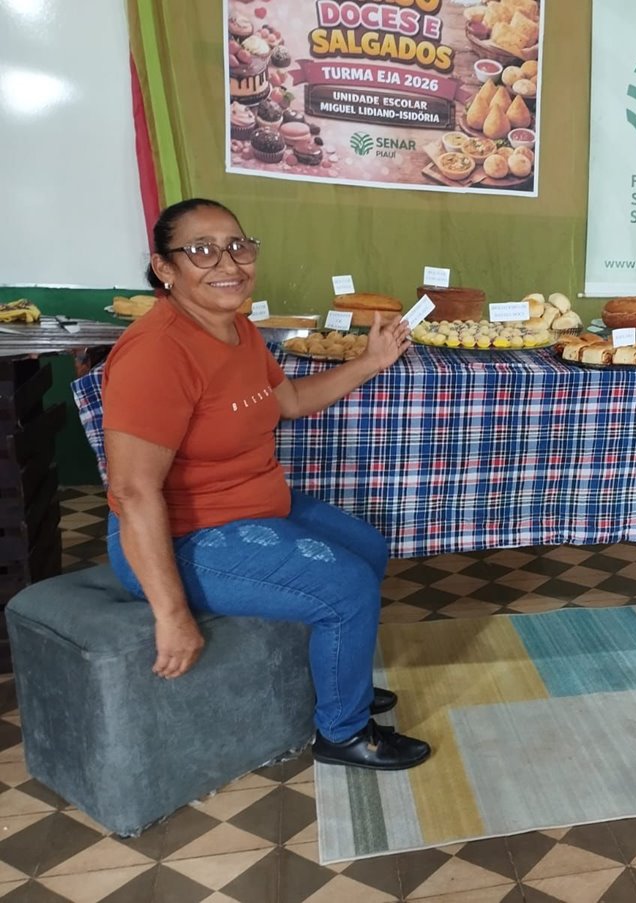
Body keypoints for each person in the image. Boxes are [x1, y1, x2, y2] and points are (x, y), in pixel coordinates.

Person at [102, 197, 430, 771]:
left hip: (252, 507)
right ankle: (343, 733)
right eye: (201, 250)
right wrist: (171, 615)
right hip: (184, 536)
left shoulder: (237, 328)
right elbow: (133, 493)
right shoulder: (157, 352)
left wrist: (372, 362)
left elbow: (292, 401)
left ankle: (338, 675)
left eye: (238, 245)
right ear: (164, 268)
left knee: (368, 547)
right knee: (348, 587)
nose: (228, 262)